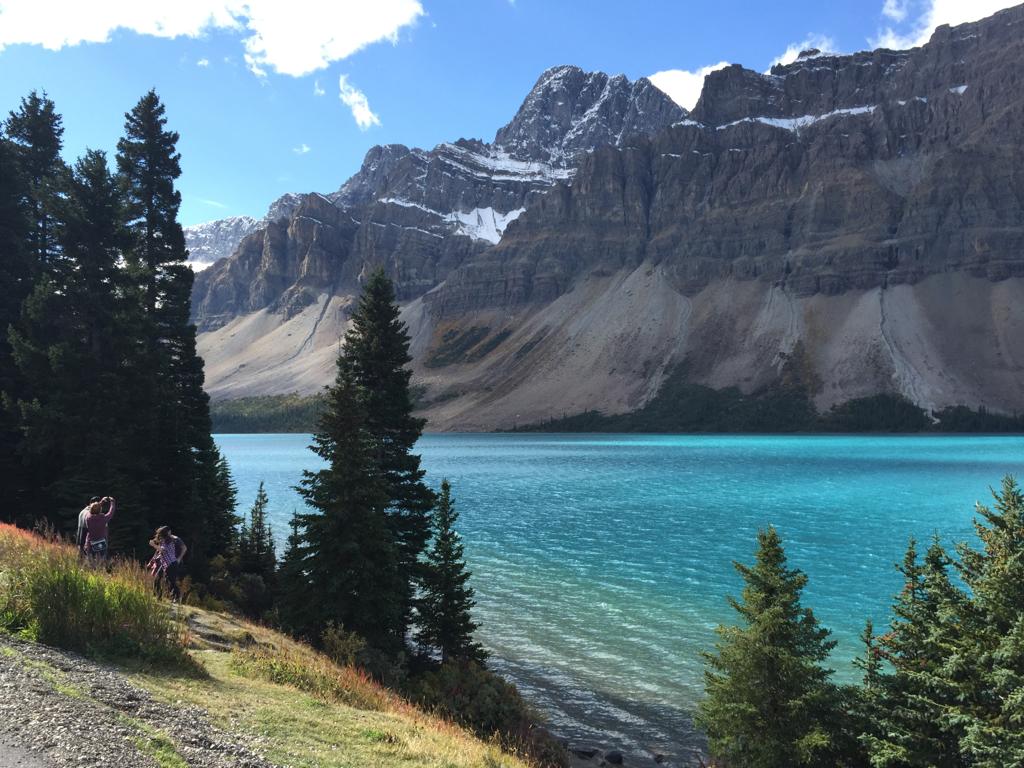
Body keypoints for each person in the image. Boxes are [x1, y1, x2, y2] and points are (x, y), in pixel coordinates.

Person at [148, 526, 187, 602]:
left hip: (171, 564)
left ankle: (177, 596)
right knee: (157, 578)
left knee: (171, 581)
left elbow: (163, 551)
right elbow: (159, 547)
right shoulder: (164, 540)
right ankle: (157, 596)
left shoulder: (170, 540)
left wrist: (153, 545)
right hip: (166, 564)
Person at [83, 496, 116, 561]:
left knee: (91, 562)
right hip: (101, 543)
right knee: (101, 562)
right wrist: (112, 502)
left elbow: (93, 509)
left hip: (90, 543)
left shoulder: (88, 518)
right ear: (100, 510)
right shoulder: (103, 519)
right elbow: (111, 512)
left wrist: (101, 502)